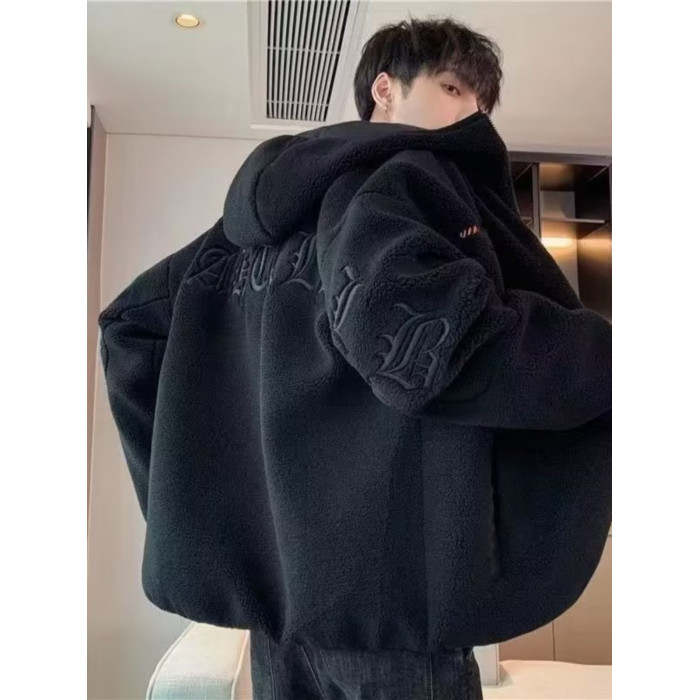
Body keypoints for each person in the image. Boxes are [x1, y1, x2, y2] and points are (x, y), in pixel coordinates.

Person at [98, 16, 611, 700]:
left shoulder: (239, 239)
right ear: (384, 90)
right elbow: (431, 345)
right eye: (453, 87)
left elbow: (130, 328)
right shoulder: (408, 179)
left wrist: (196, 505)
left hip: (282, 626)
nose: (472, 115)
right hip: (393, 619)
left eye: (481, 101)